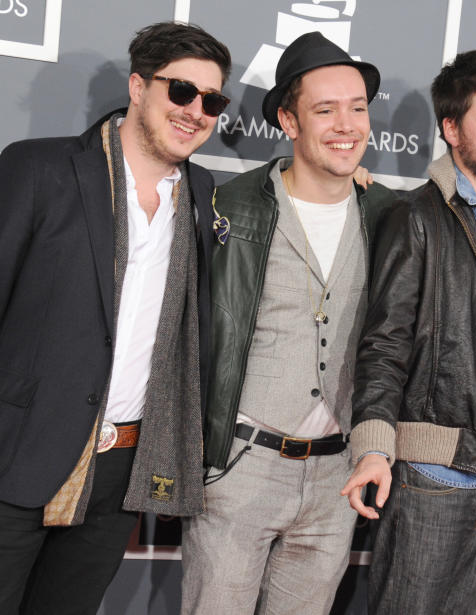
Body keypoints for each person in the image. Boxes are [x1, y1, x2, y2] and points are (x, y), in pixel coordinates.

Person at [0, 22, 231, 614]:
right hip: (11, 456)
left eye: (213, 101)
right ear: (138, 87)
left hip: (120, 470)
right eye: (182, 92)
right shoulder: (40, 168)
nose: (197, 111)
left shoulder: (201, 193)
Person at [179, 32, 394, 615]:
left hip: (337, 477)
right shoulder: (230, 207)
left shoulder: (390, 214)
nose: (346, 124)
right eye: (325, 110)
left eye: (357, 107)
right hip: (240, 467)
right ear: (289, 121)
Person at [341, 49, 476, 614]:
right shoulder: (417, 218)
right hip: (429, 481)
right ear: (451, 129)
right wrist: (375, 449)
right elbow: (383, 346)